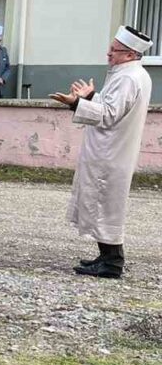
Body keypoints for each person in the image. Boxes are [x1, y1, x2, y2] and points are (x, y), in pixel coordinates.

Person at [52, 26, 153, 278]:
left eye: (114, 50)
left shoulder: (128, 77)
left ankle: (112, 263)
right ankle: (106, 257)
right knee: (103, 204)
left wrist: (76, 103)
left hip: (110, 152)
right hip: (111, 149)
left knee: (105, 206)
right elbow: (111, 106)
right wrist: (92, 96)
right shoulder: (131, 74)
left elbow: (108, 115)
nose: (109, 54)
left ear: (130, 54)